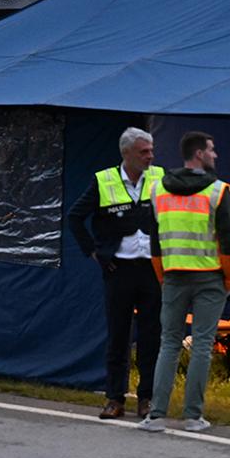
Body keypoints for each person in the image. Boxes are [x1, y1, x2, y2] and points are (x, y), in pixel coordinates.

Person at [140, 130, 230, 434]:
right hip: (209, 277)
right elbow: (229, 242)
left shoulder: (158, 190)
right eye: (211, 150)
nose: (215, 155)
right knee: (202, 345)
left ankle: (155, 415)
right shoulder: (217, 191)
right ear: (199, 154)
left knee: (168, 344)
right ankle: (193, 417)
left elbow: (154, 242)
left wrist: (163, 275)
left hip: (172, 276)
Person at [67, 126, 165, 421]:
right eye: (143, 152)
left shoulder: (160, 178)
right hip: (118, 267)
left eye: (151, 151)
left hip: (152, 267)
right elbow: (75, 216)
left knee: (151, 335)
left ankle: (146, 398)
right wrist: (94, 252)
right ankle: (114, 398)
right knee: (118, 335)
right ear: (126, 154)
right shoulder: (104, 180)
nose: (150, 156)